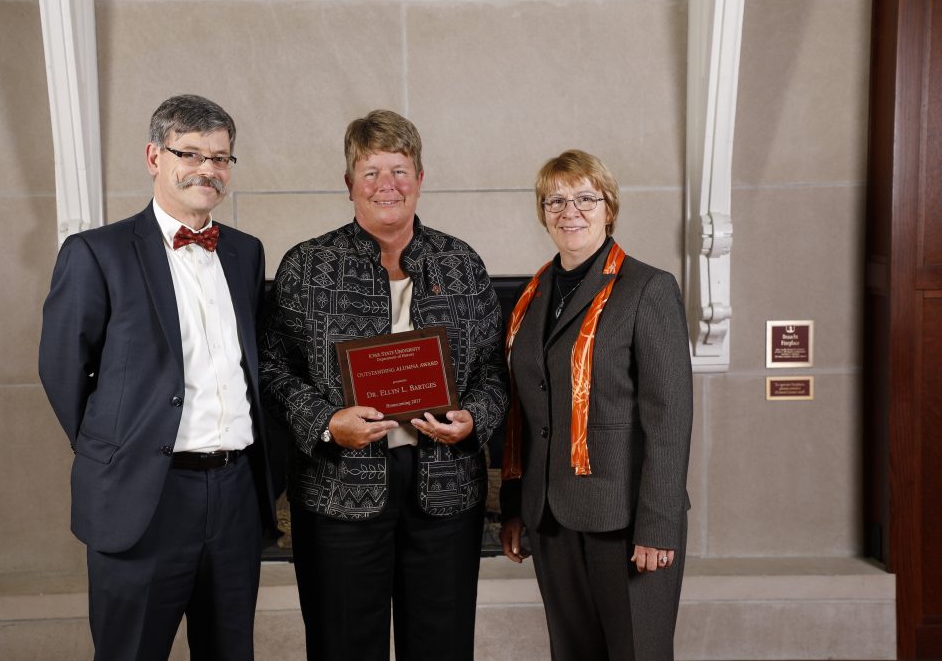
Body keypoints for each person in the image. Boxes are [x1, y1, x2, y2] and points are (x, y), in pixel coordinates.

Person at [258, 109, 508, 661]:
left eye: (399, 170)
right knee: (343, 645)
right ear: (348, 184)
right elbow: (272, 369)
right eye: (370, 171)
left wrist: (475, 419)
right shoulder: (307, 265)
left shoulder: (461, 264)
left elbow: (494, 369)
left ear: (420, 178)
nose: (386, 185)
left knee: (441, 646)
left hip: (445, 489)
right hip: (337, 490)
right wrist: (324, 422)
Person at [39, 94, 277, 660]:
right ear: (153, 156)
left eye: (220, 158)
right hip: (143, 497)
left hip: (235, 494)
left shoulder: (245, 254)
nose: (207, 169)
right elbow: (61, 371)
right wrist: (118, 449)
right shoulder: (95, 253)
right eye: (189, 153)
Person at [499, 149, 693, 660]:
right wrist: (517, 506)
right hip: (551, 518)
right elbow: (530, 411)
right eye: (556, 200)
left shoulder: (647, 289)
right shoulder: (532, 295)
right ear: (542, 212)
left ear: (609, 208)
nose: (571, 211)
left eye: (586, 198)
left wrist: (658, 526)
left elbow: (668, 419)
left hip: (625, 518)